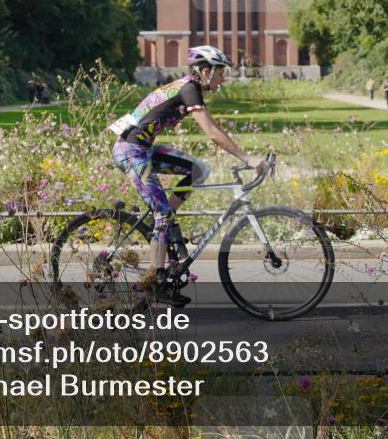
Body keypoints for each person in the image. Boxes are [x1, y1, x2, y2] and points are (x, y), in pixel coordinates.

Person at [108, 45, 268, 306]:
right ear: (204, 71)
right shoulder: (189, 88)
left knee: (198, 170)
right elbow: (212, 133)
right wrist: (247, 158)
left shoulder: (189, 88)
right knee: (161, 212)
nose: (223, 79)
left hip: (143, 149)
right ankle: (157, 281)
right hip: (130, 151)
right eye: (220, 73)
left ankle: (167, 220)